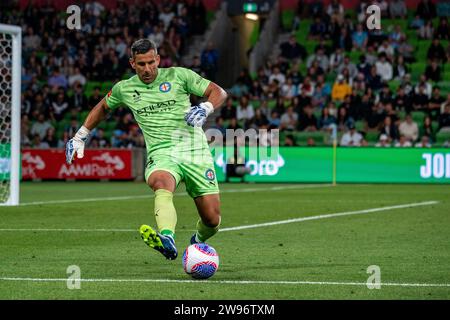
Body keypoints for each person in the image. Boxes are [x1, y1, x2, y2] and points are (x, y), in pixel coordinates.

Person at [65, 39, 227, 261]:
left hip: (194, 151)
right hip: (161, 153)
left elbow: (218, 91)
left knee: (212, 219)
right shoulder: (125, 88)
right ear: (132, 63)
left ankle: (197, 242)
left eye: (151, 62)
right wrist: (80, 136)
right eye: (141, 64)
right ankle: (166, 237)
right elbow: (103, 107)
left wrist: (205, 107)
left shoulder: (179, 75)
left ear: (158, 59)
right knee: (161, 182)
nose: (148, 69)